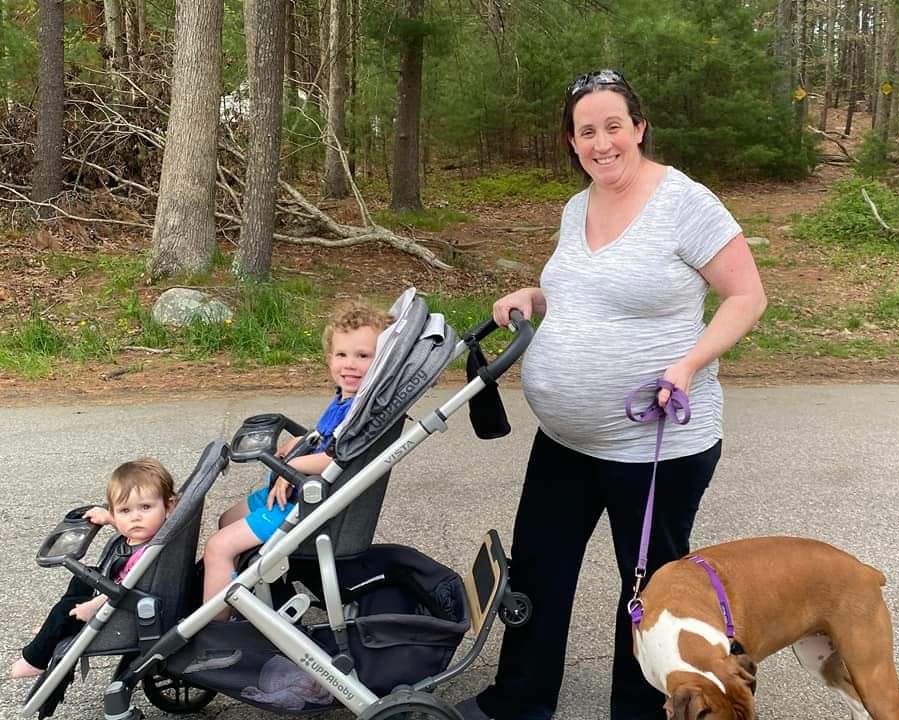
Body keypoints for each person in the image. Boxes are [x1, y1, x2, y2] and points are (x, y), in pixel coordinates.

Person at [457, 69, 767, 720]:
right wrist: (532, 296)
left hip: (658, 440)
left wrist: (687, 364)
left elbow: (747, 295)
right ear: (572, 142)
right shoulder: (579, 206)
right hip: (566, 440)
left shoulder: (685, 203)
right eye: (586, 131)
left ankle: (639, 711)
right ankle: (520, 700)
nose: (602, 142)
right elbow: (581, 291)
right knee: (539, 570)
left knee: (649, 590)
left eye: (614, 126)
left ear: (639, 128)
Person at [202, 299, 391, 620]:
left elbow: (339, 457)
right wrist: (302, 441)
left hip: (306, 503)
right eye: (342, 355)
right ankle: (245, 596)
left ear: (381, 360)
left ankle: (209, 631)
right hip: (293, 490)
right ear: (329, 358)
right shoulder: (346, 400)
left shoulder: (360, 408)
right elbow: (326, 436)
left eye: (363, 356)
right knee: (226, 519)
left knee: (218, 548)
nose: (350, 364)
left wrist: (290, 470)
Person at [10, 459, 176, 679]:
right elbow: (132, 528)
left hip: (123, 606)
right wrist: (110, 519)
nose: (135, 517)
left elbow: (125, 588)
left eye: (145, 507)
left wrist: (94, 607)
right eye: (124, 510)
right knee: (84, 575)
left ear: (169, 506)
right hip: (117, 590)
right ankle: (55, 626)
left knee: (65, 611)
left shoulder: (150, 553)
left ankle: (34, 660)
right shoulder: (153, 533)